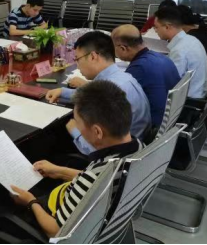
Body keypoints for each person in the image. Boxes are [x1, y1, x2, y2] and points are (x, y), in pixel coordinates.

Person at [10, 81, 143, 239]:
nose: (77, 127)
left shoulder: (95, 175)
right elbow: (97, 183)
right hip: (88, 211)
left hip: (56, 220)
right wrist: (60, 171)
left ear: (97, 132)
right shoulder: (138, 148)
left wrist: (30, 202)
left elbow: (56, 231)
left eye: (77, 123)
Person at [46, 32, 150, 155]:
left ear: (93, 56)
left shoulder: (110, 89)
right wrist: (63, 92)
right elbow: (93, 97)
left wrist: (75, 131)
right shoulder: (123, 77)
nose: (77, 66)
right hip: (139, 145)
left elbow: (98, 149)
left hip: (120, 156)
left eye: (77, 59)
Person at [112, 25, 181, 127]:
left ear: (123, 48)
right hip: (170, 121)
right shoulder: (162, 57)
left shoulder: (139, 68)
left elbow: (117, 101)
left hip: (151, 126)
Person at [154, 7, 207, 99]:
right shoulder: (191, 39)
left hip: (189, 101)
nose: (155, 30)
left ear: (167, 27)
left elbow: (169, 82)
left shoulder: (180, 50)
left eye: (156, 27)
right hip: (199, 94)